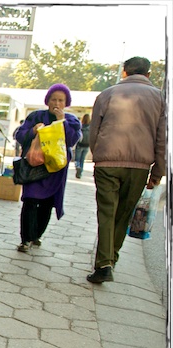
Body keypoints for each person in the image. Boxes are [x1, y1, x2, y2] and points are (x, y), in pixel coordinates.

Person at [86, 56, 165, 284]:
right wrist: (157, 173)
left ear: (124, 72)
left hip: (107, 163)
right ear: (148, 74)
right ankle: (110, 259)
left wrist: (99, 154)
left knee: (106, 213)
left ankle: (104, 264)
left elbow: (94, 131)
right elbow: (162, 139)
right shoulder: (160, 98)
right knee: (123, 215)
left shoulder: (107, 94)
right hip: (139, 167)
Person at [15, 83, 82, 253]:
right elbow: (20, 135)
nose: (57, 103)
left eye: (61, 100)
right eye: (54, 99)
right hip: (34, 165)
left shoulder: (71, 120)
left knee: (47, 203)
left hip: (54, 170)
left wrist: (61, 122)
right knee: (30, 200)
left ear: (66, 103)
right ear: (48, 101)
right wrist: (33, 131)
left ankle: (36, 234)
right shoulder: (36, 116)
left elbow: (72, 140)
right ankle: (26, 239)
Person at [74, 114, 91, 178]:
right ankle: (80, 173)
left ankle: (77, 167)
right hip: (87, 145)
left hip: (79, 145)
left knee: (77, 159)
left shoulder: (80, 126)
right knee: (82, 160)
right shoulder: (91, 127)